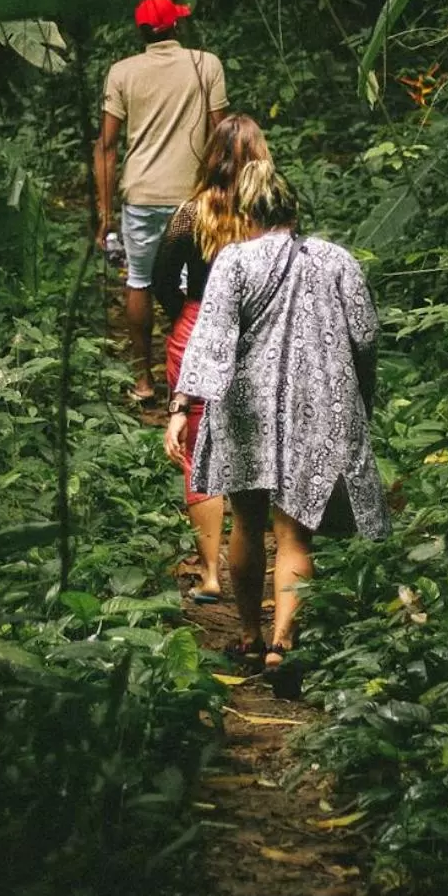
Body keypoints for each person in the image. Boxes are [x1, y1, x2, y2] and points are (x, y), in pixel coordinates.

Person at [165, 164, 389, 674]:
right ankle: (282, 644)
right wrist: (359, 393)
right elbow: (366, 335)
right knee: (294, 534)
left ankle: (248, 635)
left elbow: (211, 341)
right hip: (316, 404)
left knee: (246, 522)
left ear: (247, 213)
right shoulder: (338, 260)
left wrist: (181, 408)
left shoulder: (234, 261)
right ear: (293, 209)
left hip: (246, 409)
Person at [152, 115, 274, 603]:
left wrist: (186, 313)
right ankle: (259, 566)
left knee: (198, 444)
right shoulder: (272, 213)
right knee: (258, 437)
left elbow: (162, 276)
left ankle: (209, 574)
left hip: (198, 323)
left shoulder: (191, 213)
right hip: (257, 329)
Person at [94, 0, 229, 403]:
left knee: (139, 280)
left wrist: (104, 212)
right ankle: (187, 383)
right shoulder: (206, 64)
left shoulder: (122, 72)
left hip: (141, 195)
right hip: (192, 196)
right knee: (195, 287)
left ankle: (142, 383)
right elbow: (222, 135)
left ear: (141, 32)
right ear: (177, 25)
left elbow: (107, 145)